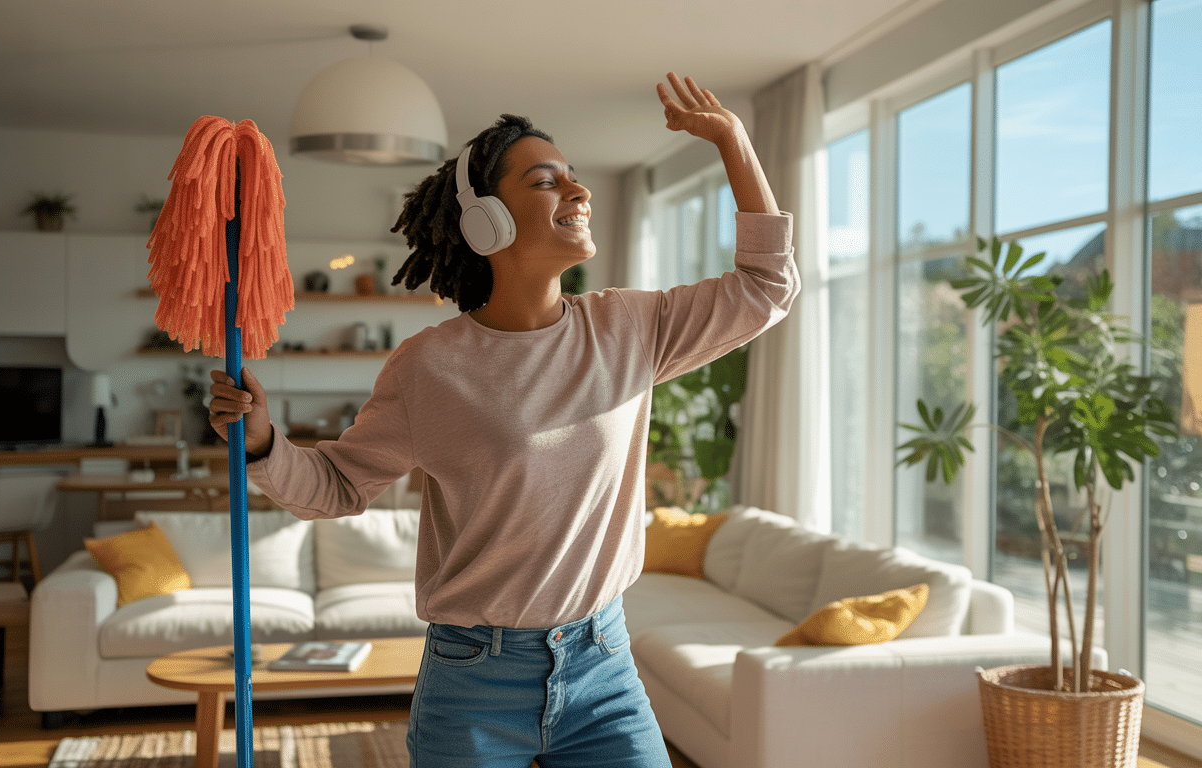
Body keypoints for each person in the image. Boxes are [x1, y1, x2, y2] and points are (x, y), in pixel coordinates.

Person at [209, 72, 799, 768]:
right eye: (548, 181)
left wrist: (732, 140)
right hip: (473, 681)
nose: (578, 192)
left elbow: (767, 286)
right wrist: (264, 444)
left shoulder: (631, 329)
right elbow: (338, 484)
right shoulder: (427, 367)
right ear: (485, 218)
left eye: (574, 177)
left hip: (603, 665)